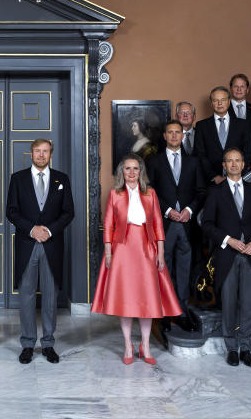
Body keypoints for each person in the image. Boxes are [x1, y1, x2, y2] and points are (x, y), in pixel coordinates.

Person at [92, 154, 182, 364]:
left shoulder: (150, 194)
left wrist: (160, 252)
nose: (131, 173)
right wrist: (108, 253)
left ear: (140, 172)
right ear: (121, 172)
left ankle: (145, 345)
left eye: (135, 169)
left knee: (147, 298)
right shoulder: (115, 194)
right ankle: (127, 346)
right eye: (127, 169)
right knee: (125, 298)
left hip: (146, 248)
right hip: (122, 250)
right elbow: (108, 225)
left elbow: (159, 224)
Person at [6, 138, 75, 364]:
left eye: (45, 151)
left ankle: (47, 344)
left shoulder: (61, 179)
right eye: (38, 151)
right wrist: (32, 229)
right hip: (27, 245)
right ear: (31, 153)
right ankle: (27, 344)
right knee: (26, 297)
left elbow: (68, 212)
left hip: (52, 246)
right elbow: (12, 212)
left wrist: (49, 231)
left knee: (50, 298)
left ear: (51, 153)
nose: (42, 155)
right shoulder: (18, 179)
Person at [201, 148, 251, 367]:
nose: (233, 164)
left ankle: (246, 349)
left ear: (243, 164)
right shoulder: (215, 192)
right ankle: (231, 348)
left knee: (247, 305)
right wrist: (228, 240)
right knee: (229, 304)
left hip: (250, 256)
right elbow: (207, 224)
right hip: (227, 255)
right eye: (229, 161)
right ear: (224, 165)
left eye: (237, 160)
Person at [145, 121, 205, 333]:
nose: (173, 135)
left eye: (177, 132)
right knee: (163, 268)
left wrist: (189, 209)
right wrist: (167, 210)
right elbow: (149, 191)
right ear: (164, 136)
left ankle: (180, 311)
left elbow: (200, 191)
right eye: (170, 132)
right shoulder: (154, 161)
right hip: (165, 223)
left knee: (184, 270)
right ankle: (163, 312)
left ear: (183, 135)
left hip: (187, 225)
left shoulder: (194, 162)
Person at [194, 86, 251, 184]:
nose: (219, 103)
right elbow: (200, 154)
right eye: (216, 100)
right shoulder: (201, 126)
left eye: (223, 100)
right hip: (210, 182)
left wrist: (237, 174)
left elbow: (247, 152)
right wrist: (214, 177)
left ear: (229, 102)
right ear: (211, 103)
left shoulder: (243, 125)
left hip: (238, 179)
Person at [228, 73, 251, 141]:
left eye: (242, 86)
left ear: (247, 90)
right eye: (236, 86)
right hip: (229, 150)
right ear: (231, 89)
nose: (239, 89)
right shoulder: (223, 109)